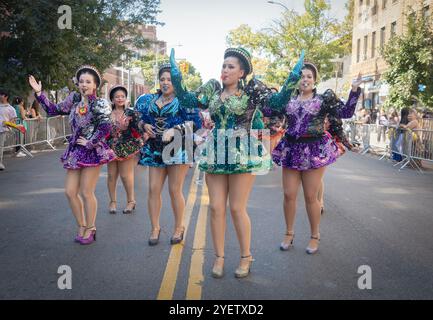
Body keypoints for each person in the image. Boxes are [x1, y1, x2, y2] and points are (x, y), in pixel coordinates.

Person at [170, 47, 305, 278]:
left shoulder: (252, 90)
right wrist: (175, 74)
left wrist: (293, 77)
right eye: (223, 65)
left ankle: (245, 256)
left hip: (243, 152)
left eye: (231, 66)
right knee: (215, 207)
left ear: (242, 72)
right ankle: (219, 257)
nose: (225, 70)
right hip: (215, 151)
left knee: (236, 207)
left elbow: (277, 102)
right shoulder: (212, 88)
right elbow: (188, 99)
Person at [269, 62, 362, 254]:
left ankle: (314, 235)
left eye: (309, 76)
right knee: (289, 194)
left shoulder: (323, 99)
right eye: (302, 76)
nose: (305, 79)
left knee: (311, 196)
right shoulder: (288, 100)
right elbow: (270, 111)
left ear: (314, 80)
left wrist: (354, 89)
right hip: (292, 148)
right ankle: (288, 233)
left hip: (314, 149)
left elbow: (346, 112)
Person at [28, 66, 115, 245]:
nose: (84, 85)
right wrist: (39, 93)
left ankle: (91, 228)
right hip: (75, 151)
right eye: (81, 81)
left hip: (92, 151)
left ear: (95, 85)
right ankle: (82, 225)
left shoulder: (100, 103)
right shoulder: (74, 100)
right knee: (69, 192)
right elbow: (53, 110)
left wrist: (91, 142)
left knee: (86, 191)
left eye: (88, 82)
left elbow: (106, 127)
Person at [135, 63, 200, 247]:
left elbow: (196, 123)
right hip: (155, 147)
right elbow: (140, 118)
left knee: (174, 190)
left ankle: (179, 227)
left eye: (169, 79)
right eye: (162, 79)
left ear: (176, 81)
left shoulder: (185, 100)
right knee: (153, 188)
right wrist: (143, 126)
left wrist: (175, 129)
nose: (165, 82)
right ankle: (155, 228)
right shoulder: (149, 100)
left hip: (178, 146)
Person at [106, 85, 144, 214]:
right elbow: (103, 131)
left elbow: (139, 128)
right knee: (111, 176)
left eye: (122, 96)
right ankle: (113, 202)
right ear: (112, 99)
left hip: (126, 147)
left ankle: (131, 201)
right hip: (111, 148)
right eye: (117, 96)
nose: (120, 98)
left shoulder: (131, 113)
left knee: (125, 175)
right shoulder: (107, 113)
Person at [0, 89, 18, 170]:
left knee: (0, 147)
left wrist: (8, 123)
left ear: (6, 97)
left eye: (1, 94)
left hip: (2, 130)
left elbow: (13, 119)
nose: (0, 96)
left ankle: (0, 163)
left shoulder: (10, 108)